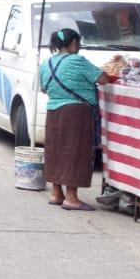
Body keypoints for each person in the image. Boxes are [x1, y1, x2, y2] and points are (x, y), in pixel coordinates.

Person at [40, 28, 114, 211]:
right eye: (78, 43)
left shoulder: (46, 62)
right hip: (76, 113)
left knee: (55, 151)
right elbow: (103, 79)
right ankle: (72, 198)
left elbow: (43, 88)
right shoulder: (77, 61)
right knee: (75, 153)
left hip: (53, 111)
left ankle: (56, 194)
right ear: (73, 43)